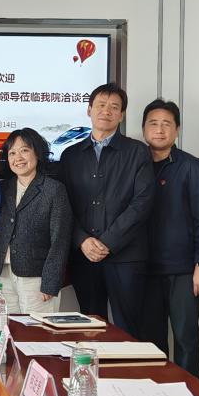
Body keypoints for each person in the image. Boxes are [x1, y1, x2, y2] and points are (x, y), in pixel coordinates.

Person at [59, 82, 154, 336]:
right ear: (89, 110)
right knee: (90, 328)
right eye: (101, 105)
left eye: (114, 107)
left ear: (121, 115)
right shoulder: (70, 155)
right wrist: (82, 240)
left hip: (126, 257)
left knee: (128, 330)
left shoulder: (137, 152)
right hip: (84, 256)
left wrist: (108, 242)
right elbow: (63, 206)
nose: (106, 111)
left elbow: (142, 203)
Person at [141, 99, 199, 376]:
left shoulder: (192, 166)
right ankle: (156, 393)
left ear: (177, 129)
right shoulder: (135, 164)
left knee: (186, 338)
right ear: (143, 129)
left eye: (166, 124)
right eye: (153, 124)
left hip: (183, 270)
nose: (159, 130)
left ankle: (189, 394)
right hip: (144, 268)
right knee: (150, 340)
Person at [0, 127, 72, 314]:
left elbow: (60, 240)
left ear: (37, 153)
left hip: (37, 277)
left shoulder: (54, 190)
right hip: (3, 275)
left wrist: (50, 282)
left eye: (24, 150)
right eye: (12, 153)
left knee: (36, 330)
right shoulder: (3, 189)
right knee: (7, 326)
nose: (18, 157)